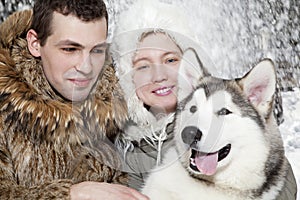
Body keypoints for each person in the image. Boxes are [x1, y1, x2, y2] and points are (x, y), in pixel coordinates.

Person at [111, 0, 297, 199]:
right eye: (143, 66)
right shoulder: (111, 147)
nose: (159, 75)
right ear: (128, 76)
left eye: (171, 60)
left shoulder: (255, 154)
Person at [0, 0, 148, 199]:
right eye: (70, 49)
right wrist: (70, 194)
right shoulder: (6, 107)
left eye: (96, 50)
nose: (86, 67)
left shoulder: (123, 96)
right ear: (35, 44)